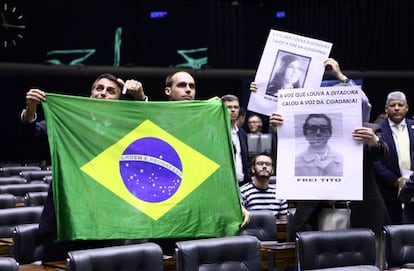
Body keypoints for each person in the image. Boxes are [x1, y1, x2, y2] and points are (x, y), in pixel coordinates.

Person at [20, 73, 147, 262]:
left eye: (111, 91)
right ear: (90, 95)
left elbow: (150, 130)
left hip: (106, 225)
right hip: (63, 225)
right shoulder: (67, 122)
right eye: (99, 89)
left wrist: (140, 98)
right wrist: (30, 109)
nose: (103, 93)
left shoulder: (124, 129)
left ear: (119, 101)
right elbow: (32, 136)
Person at [163, 71, 251, 225]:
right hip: (168, 202)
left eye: (192, 86)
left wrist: (236, 203)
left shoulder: (208, 126)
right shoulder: (159, 119)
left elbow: (220, 169)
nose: (188, 90)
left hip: (200, 203)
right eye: (182, 85)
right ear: (168, 91)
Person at [373, 90, 414, 224]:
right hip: (388, 189)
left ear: (406, 108)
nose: (396, 108)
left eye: (400, 105)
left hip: (412, 187)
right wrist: (395, 180)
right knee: (392, 233)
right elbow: (375, 161)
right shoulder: (377, 129)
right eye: (392, 105)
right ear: (386, 108)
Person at [240, 152, 287, 219]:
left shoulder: (279, 194)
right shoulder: (242, 192)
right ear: (253, 169)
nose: (264, 166)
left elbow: (283, 225)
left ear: (272, 170)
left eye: (268, 164)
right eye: (260, 163)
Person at [221, 94, 251, 186]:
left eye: (236, 107)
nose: (233, 110)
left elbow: (245, 160)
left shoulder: (242, 133)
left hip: (243, 183)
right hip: (224, 184)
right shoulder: (216, 132)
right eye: (229, 107)